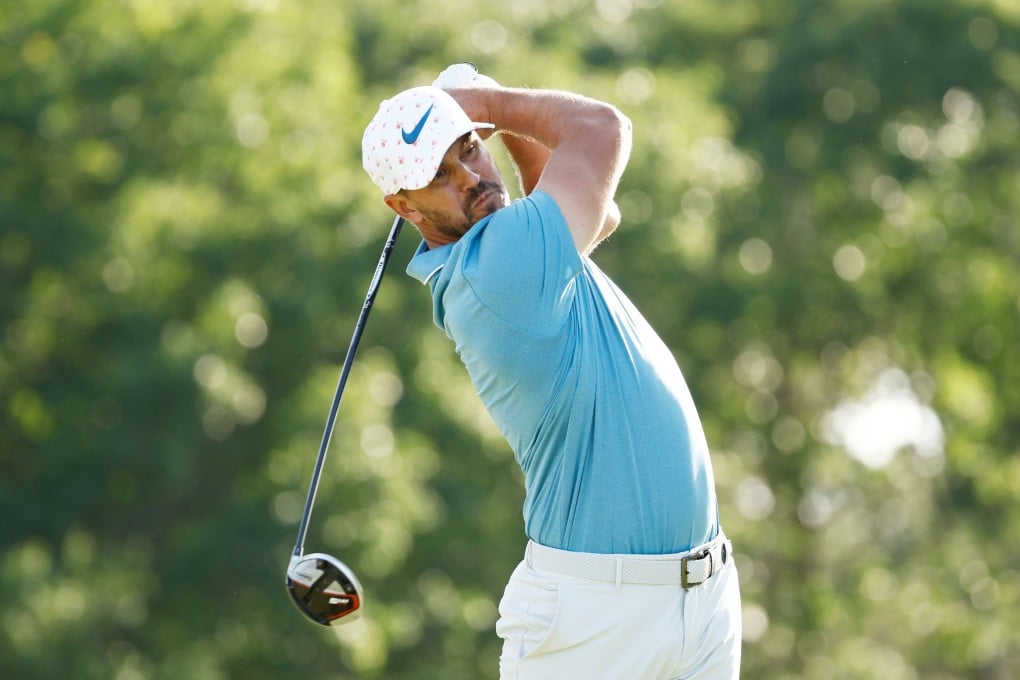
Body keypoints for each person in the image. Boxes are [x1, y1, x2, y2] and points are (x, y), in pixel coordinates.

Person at [361, 65, 741, 679]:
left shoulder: (518, 246)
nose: (471, 177)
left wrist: (490, 122)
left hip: (698, 597)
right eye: (440, 176)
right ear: (403, 208)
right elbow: (600, 128)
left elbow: (592, 210)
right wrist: (489, 100)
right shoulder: (498, 269)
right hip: (594, 621)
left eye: (469, 149)